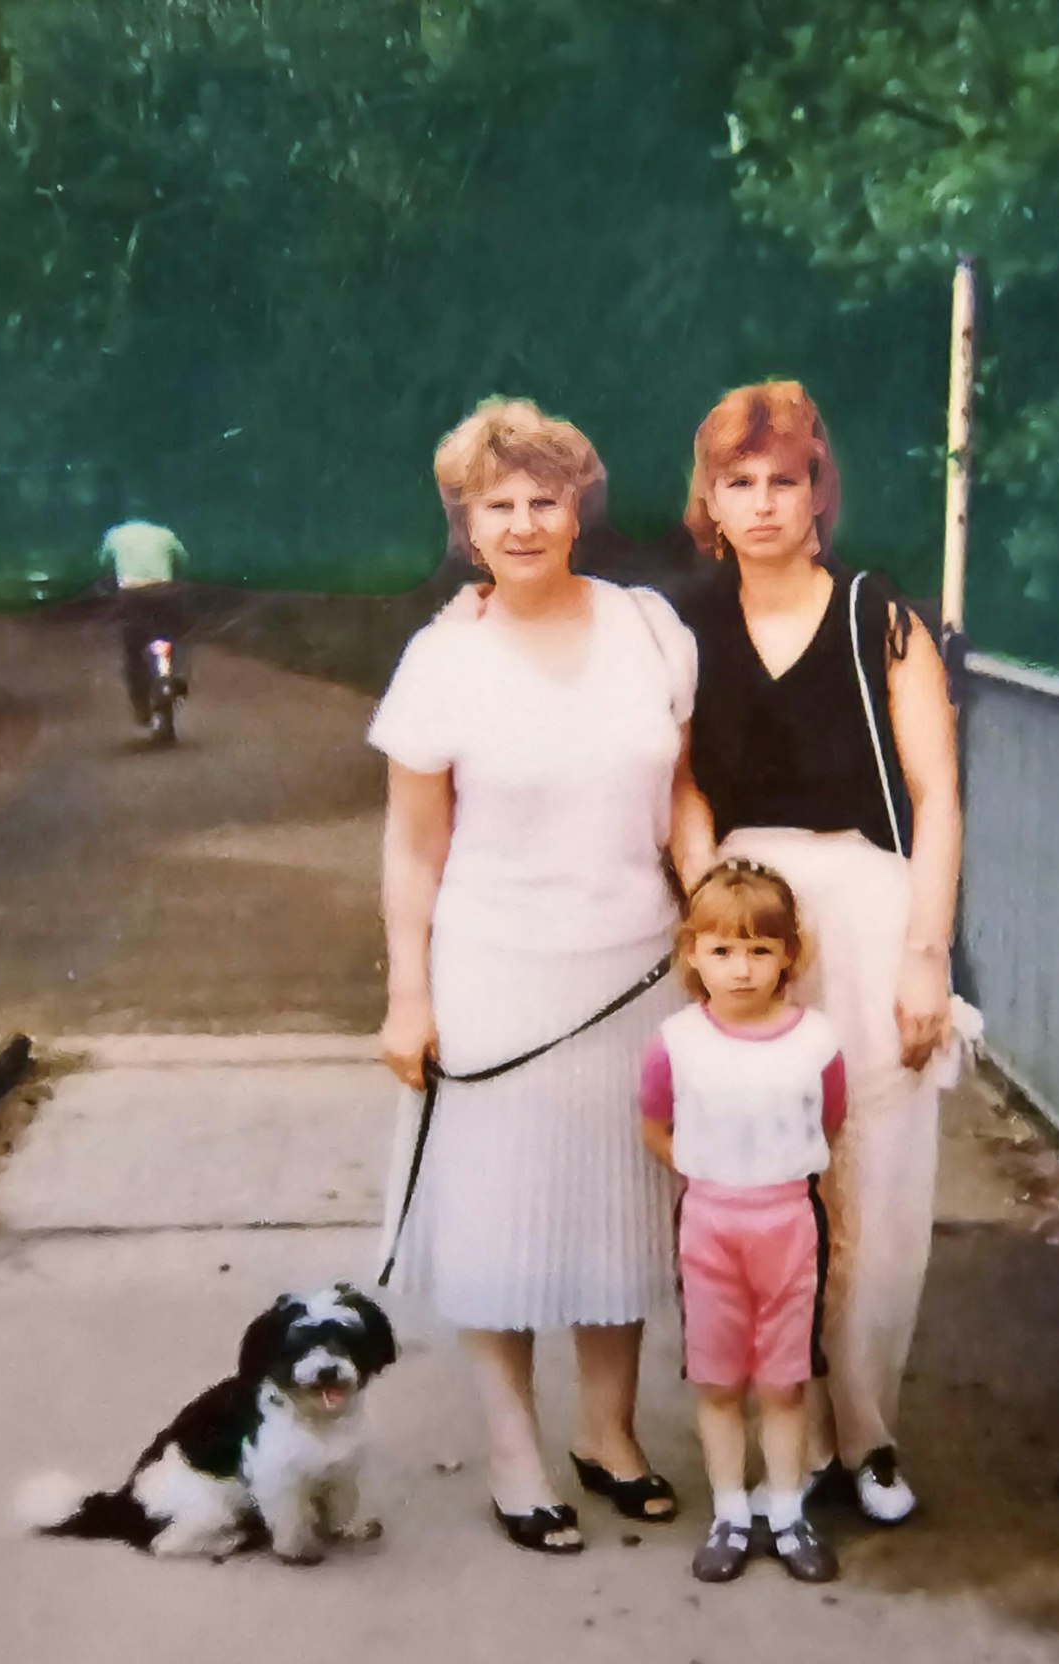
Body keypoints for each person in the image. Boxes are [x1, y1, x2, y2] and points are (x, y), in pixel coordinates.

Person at [369, 398, 704, 1556]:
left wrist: (707, 919)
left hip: (635, 966)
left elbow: (684, 795)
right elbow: (413, 843)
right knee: (500, 1223)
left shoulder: (650, 629)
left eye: (542, 501)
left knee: (619, 1214)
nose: (521, 523)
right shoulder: (442, 657)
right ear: (466, 528)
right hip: (492, 969)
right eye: (496, 506)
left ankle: (607, 1433)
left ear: (577, 511)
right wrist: (409, 995)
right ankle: (514, 1445)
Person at [678, 380, 964, 1526]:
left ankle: (869, 1433)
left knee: (877, 1181)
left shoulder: (875, 619)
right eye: (736, 483)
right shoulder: (685, 626)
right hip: (743, 912)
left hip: (864, 896)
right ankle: (765, 1432)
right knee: (753, 1173)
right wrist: (704, 913)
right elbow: (680, 785)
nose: (759, 504)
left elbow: (937, 794)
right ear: (708, 498)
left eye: (780, 481)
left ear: (815, 491)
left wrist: (924, 952)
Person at [639, 859, 845, 1585]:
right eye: (723, 950)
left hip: (789, 1222)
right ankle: (730, 1511)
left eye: (761, 949)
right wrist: (705, 1167)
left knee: (785, 1382)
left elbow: (830, 1117)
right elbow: (655, 1122)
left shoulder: (815, 1040)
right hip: (710, 1225)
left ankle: (787, 1514)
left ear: (790, 953)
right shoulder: (677, 1041)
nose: (742, 968)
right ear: (692, 952)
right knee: (719, 1381)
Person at [98, 518, 189, 725]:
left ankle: (141, 705)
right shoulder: (166, 533)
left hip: (132, 596)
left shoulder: (115, 534)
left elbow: (103, 564)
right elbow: (183, 561)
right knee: (173, 638)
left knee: (134, 650)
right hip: (165, 594)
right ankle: (175, 674)